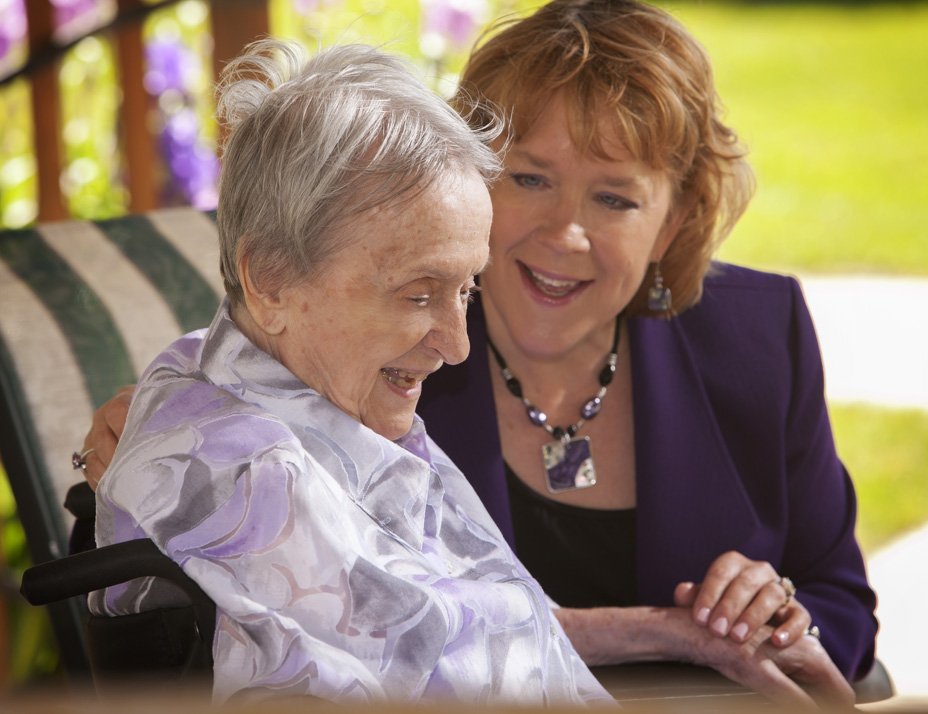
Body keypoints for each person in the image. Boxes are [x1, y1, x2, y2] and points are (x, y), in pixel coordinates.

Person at [79, 0, 873, 706]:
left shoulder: (757, 338)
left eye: (614, 197)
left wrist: (775, 618)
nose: (564, 233)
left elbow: (840, 598)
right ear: (463, 178)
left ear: (670, 222)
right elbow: (249, 365)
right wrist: (150, 411)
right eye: (529, 179)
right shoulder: (372, 361)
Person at [86, 38, 612, 706]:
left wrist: (680, 634)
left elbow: (491, 630)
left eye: (466, 291)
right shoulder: (259, 482)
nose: (457, 346)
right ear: (271, 280)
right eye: (418, 294)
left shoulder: (233, 371)